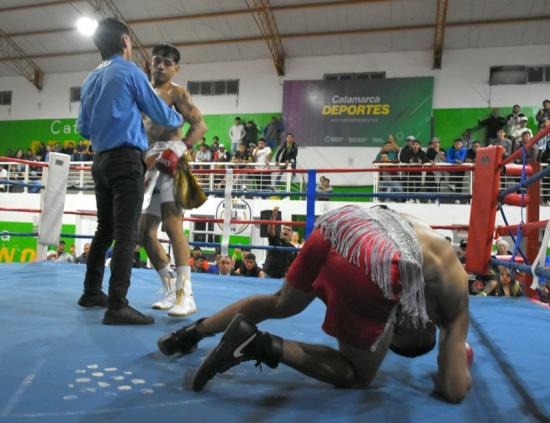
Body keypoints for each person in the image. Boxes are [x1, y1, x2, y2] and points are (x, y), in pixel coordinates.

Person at [157, 205, 472, 403]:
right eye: (394, 331)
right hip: (375, 256)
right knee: (357, 374)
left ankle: (189, 334)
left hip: (342, 222)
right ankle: (258, 344)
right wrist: (456, 359)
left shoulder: (434, 250)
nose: (389, 331)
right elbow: (454, 389)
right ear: (422, 326)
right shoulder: (455, 301)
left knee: (279, 302)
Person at [76, 19, 184, 325]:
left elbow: (83, 128)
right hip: (125, 160)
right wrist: (178, 117)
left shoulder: (90, 79)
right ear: (125, 41)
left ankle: (91, 292)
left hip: (100, 161)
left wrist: (110, 124)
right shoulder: (130, 72)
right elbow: (159, 112)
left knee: (105, 229)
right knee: (126, 233)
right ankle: (117, 305)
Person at [138, 45, 207, 317]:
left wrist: (179, 148)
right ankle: (169, 288)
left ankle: (185, 294)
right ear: (150, 64)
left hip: (172, 161)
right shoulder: (144, 93)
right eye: (157, 61)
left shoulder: (177, 93)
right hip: (151, 164)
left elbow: (200, 126)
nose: (161, 66)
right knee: (144, 232)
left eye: (167, 63)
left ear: (176, 69)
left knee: (171, 224)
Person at [262, 207, 296, 278]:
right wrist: (273, 215)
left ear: (291, 234)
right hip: (269, 275)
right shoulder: (275, 240)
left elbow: (294, 265)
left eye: (289, 230)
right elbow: (270, 230)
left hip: (282, 277)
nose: (286, 231)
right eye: (285, 229)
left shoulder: (293, 248)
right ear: (281, 231)